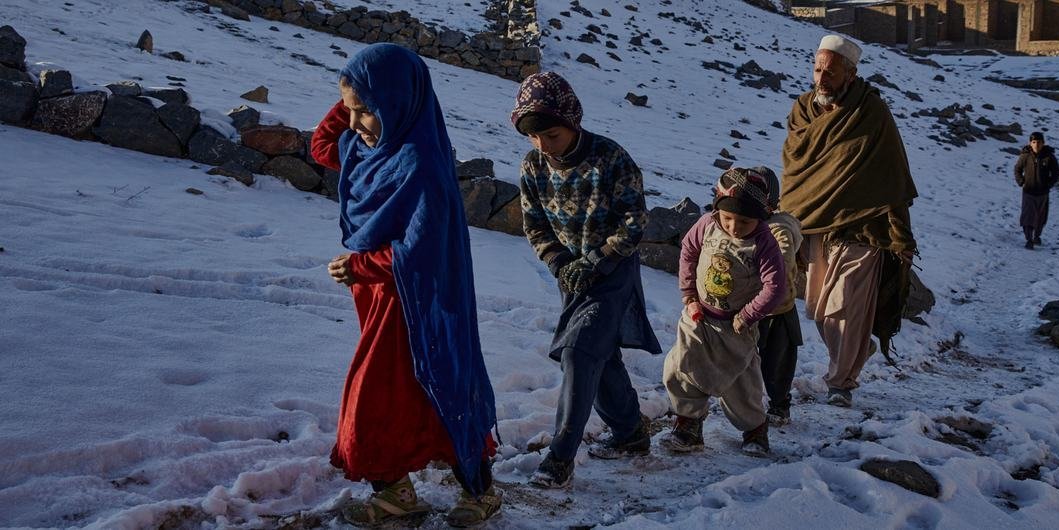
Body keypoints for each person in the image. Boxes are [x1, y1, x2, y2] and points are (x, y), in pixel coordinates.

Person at [309, 43, 499, 527]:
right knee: (402, 394)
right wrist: (355, 92)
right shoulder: (370, 147)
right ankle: (395, 492)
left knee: (432, 386)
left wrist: (359, 267)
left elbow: (421, 251)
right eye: (350, 112)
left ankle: (481, 490)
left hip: (419, 301)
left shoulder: (420, 164)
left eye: (365, 111)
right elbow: (321, 146)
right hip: (377, 299)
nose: (354, 124)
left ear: (397, 102)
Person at [510, 71, 662, 489]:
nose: (544, 146)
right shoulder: (533, 166)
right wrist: (561, 263)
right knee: (599, 354)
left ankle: (560, 457)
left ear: (572, 122)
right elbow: (535, 225)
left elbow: (634, 223)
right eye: (534, 138)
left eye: (552, 136)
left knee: (579, 352)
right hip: (570, 275)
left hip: (612, 271)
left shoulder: (611, 158)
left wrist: (595, 260)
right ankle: (630, 434)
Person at [780, 35, 918, 409]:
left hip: (864, 229)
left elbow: (892, 179)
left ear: (851, 75)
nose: (822, 79)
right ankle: (858, 348)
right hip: (816, 228)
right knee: (821, 312)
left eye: (831, 72)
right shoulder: (802, 111)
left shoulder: (871, 113)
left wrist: (901, 237)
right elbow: (796, 172)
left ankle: (841, 382)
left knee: (845, 307)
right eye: (817, 70)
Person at [660, 167, 786, 456]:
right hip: (699, 316)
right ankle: (688, 424)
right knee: (683, 367)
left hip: (736, 325)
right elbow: (689, 253)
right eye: (728, 218)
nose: (734, 226)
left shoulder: (763, 243)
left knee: (740, 379)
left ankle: (754, 429)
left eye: (744, 220)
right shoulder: (707, 224)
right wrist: (689, 294)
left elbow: (775, 287)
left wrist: (748, 315)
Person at [755, 167, 804, 426]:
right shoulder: (746, 223)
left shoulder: (779, 228)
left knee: (778, 361)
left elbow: (783, 257)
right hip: (752, 304)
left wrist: (773, 277)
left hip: (778, 308)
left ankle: (779, 404)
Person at [1014, 131, 1059, 249]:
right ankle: (1029, 239)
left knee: (1040, 217)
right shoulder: (1025, 156)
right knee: (1028, 216)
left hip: (1043, 193)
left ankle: (1037, 236)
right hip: (1028, 191)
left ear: (1043, 143)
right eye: (1034, 142)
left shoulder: (1049, 156)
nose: (1036, 145)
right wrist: (1021, 181)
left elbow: (1056, 173)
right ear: (1030, 143)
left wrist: (1048, 184)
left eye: (1039, 142)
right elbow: (1017, 169)